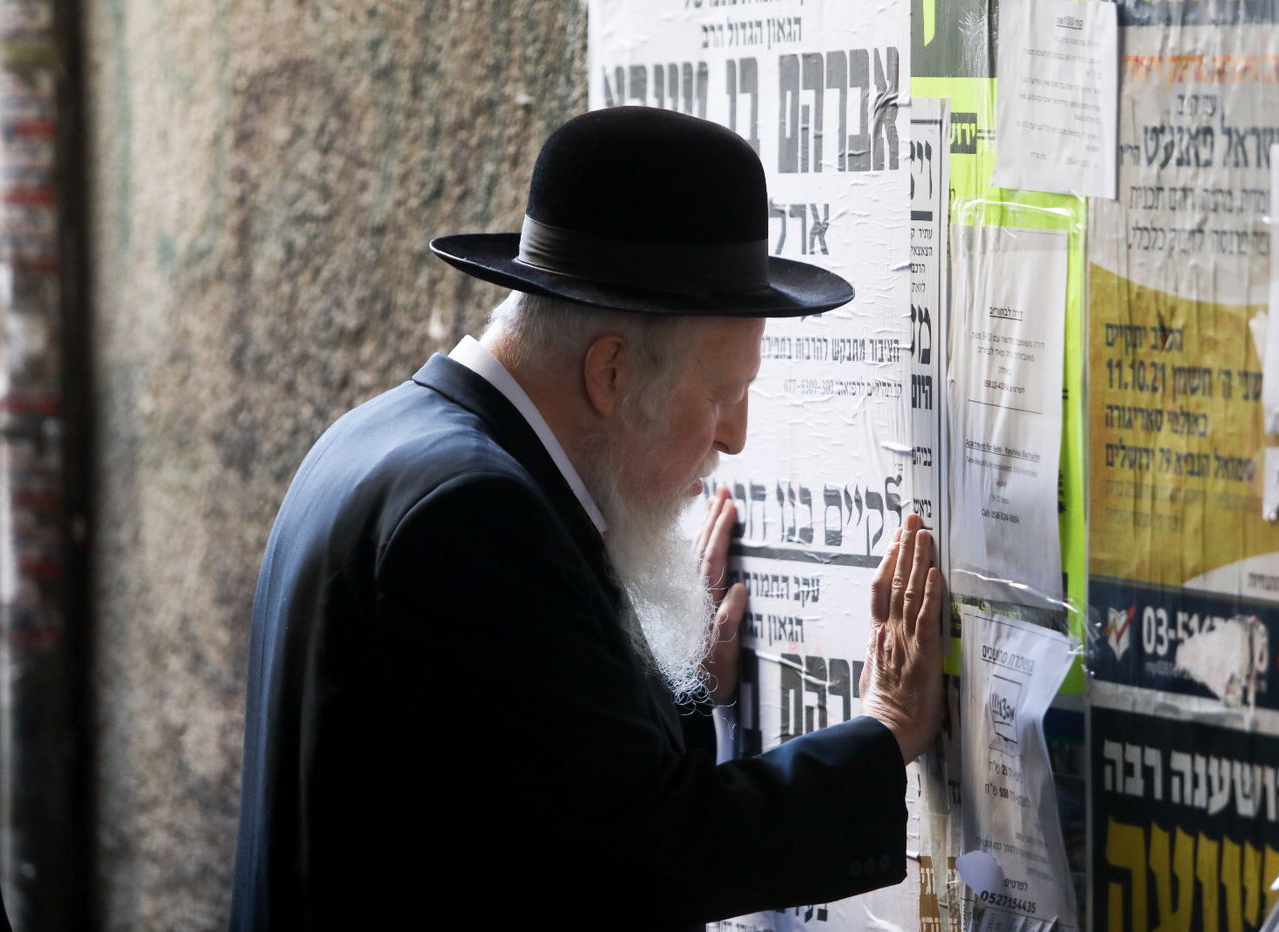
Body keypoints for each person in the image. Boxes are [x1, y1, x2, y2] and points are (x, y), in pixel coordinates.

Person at [230, 106, 942, 930]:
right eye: (723, 394)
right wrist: (885, 732)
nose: (735, 437)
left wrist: (670, 681)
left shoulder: (385, 438)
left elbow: (534, 790)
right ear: (611, 372)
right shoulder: (473, 515)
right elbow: (644, 856)